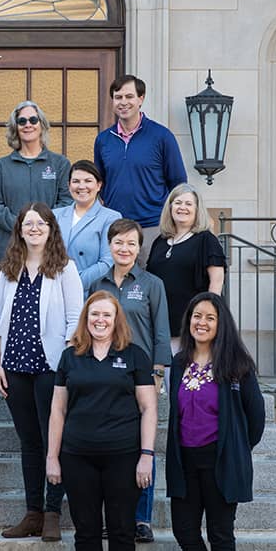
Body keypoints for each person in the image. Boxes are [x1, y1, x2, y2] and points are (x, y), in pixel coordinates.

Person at [47, 291, 156, 551]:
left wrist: (147, 456)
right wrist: (52, 457)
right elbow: (57, 409)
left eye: (107, 315)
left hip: (123, 457)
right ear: (86, 317)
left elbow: (149, 408)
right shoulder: (70, 357)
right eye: (94, 314)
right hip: (77, 457)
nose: (100, 320)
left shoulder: (135, 356)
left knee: (122, 531)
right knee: (86, 531)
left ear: (116, 319)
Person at [165, 292, 265, 551]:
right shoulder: (179, 364)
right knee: (185, 531)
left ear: (221, 324)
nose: (201, 323)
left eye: (209, 317)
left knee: (220, 534)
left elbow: (256, 419)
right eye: (196, 316)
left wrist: (235, 448)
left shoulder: (237, 366)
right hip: (185, 461)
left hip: (221, 463)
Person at [0, 203, 82, 543]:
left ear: (50, 228)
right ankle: (33, 513)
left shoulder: (64, 269)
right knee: (29, 442)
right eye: (28, 223)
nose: (34, 228)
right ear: (20, 229)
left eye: (40, 223)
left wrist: (67, 366)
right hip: (14, 366)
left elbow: (76, 320)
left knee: (51, 440)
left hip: (51, 367)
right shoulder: (9, 270)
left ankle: (53, 511)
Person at [89, 218, 171, 543]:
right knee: (112, 445)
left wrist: (159, 371)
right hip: (105, 374)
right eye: (118, 243)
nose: (124, 249)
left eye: (131, 244)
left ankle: (141, 518)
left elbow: (161, 331)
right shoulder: (98, 285)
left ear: (139, 248)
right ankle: (114, 515)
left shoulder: (152, 284)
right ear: (110, 246)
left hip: (141, 375)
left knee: (143, 444)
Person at [94, 74, 187, 266]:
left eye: (129, 97)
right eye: (118, 97)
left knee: (150, 284)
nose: (123, 102)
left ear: (141, 99)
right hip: (115, 228)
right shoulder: (103, 140)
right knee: (116, 285)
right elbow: (99, 182)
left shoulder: (162, 136)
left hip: (152, 227)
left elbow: (178, 183)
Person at [0, 100, 71, 263]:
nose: (28, 125)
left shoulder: (60, 164)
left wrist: (40, 228)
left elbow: (66, 202)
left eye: (33, 120)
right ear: (15, 127)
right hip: (11, 248)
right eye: (22, 121)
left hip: (49, 249)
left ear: (42, 125)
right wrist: (21, 227)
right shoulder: (2, 166)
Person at [146, 183, 226, 350]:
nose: (182, 207)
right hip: (159, 323)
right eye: (178, 203)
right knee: (162, 373)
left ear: (197, 210)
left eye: (188, 204)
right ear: (170, 207)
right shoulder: (159, 242)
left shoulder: (206, 240)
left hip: (191, 325)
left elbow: (216, 285)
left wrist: (206, 318)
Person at [53, 160, 121, 289]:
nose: (81, 186)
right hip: (55, 291)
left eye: (88, 181)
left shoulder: (111, 217)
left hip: (90, 294)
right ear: (69, 185)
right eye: (76, 181)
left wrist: (73, 283)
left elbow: (108, 262)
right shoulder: (55, 216)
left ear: (99, 185)